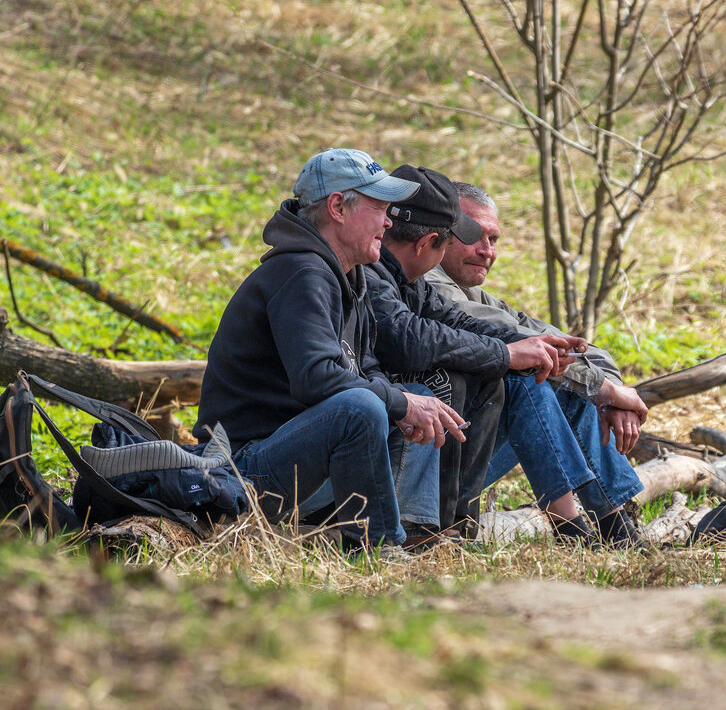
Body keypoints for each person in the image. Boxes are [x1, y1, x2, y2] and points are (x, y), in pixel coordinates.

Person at [195, 148, 466, 555]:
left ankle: (415, 538)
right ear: (338, 207)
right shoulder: (302, 273)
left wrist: (405, 403)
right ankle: (382, 551)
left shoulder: (344, 274)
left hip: (292, 460)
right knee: (363, 407)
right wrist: (398, 403)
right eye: (379, 207)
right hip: (241, 471)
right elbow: (317, 378)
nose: (389, 221)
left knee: (410, 399)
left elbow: (367, 367)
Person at [363, 164, 581, 544]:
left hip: (379, 430)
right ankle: (422, 527)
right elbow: (410, 339)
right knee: (447, 384)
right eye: (447, 243)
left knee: (494, 380)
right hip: (350, 443)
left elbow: (456, 321)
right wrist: (506, 353)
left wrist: (530, 346)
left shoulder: (406, 279)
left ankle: (455, 525)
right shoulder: (370, 274)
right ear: (424, 243)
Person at [423, 182, 649, 548]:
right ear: (442, 233)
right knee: (528, 376)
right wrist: (603, 389)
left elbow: (586, 351)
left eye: (494, 239)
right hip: (428, 467)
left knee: (566, 379)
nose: (487, 251)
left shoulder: (474, 293)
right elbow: (517, 344)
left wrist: (610, 395)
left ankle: (616, 524)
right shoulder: (427, 284)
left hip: (460, 453)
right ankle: (575, 529)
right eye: (472, 235)